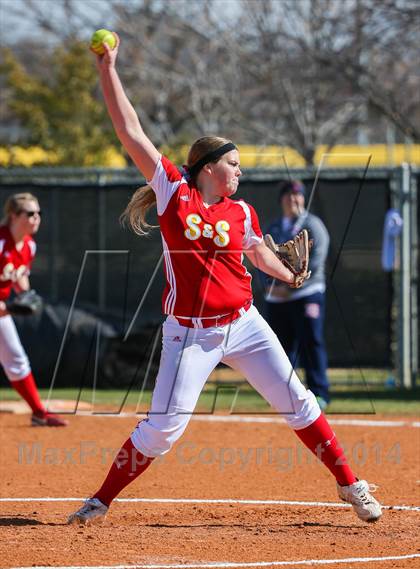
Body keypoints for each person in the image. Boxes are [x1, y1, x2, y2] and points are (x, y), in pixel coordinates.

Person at [68, 34, 382, 525]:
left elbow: (259, 254)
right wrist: (108, 68)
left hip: (244, 323)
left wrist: (290, 274)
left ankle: (350, 484)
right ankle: (100, 500)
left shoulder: (242, 211)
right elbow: (130, 131)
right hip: (190, 334)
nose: (240, 170)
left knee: (297, 401)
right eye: (233, 163)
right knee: (163, 432)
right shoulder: (175, 191)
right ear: (209, 167)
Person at [0, 192, 68, 427]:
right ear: (13, 216)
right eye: (30, 213)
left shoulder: (29, 245)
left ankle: (39, 412)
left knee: (17, 359)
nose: (36, 218)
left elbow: (20, 278)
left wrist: (28, 296)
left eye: (39, 213)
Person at [264, 180, 331, 410]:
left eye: (298, 196)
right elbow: (261, 257)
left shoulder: (312, 225)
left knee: (311, 342)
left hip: (307, 294)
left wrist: (293, 285)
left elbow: (318, 258)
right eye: (289, 196)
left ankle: (319, 393)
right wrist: (271, 286)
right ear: (281, 199)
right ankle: (285, 396)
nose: (294, 200)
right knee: (280, 348)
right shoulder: (274, 228)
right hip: (277, 297)